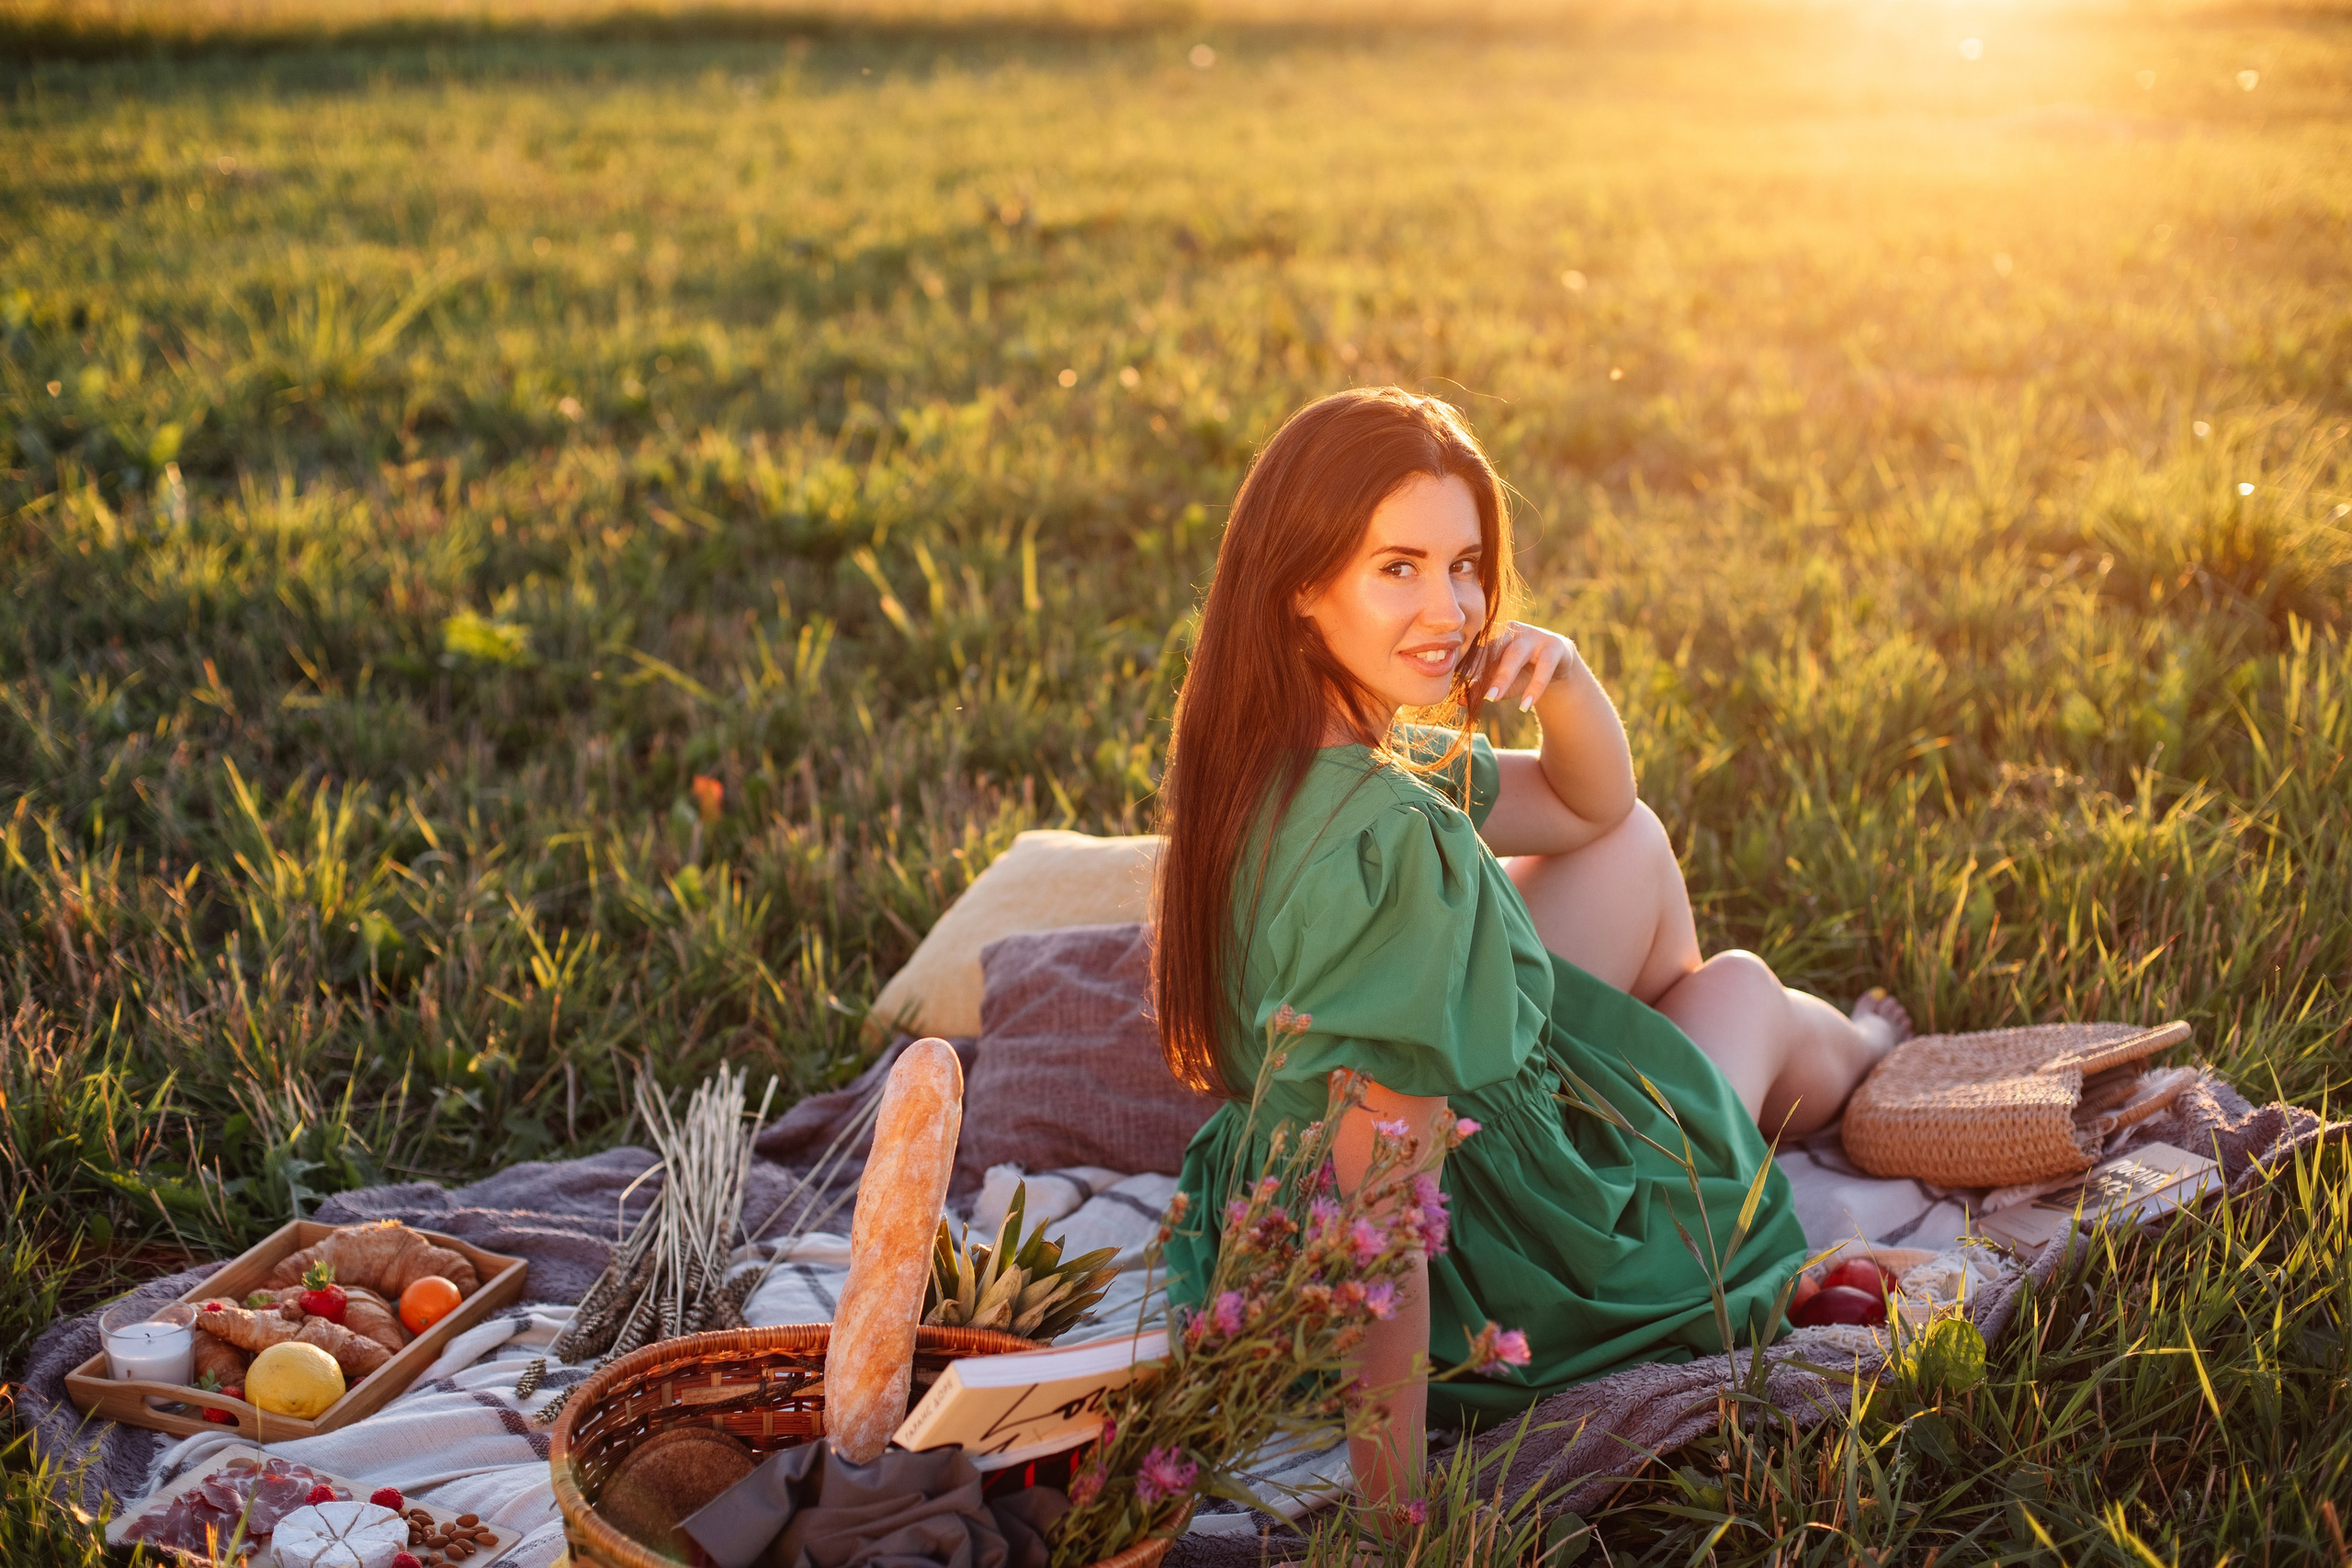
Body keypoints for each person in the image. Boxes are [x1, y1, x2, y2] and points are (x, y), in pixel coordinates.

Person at [1153, 387, 1912, 1515]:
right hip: (1496, 1262)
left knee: (1632, 842)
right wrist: (1394, 1513)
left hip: (1279, 1200)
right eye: (1397, 567)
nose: (1452, 607)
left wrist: (1561, 677)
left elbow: (1589, 802)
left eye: (1463, 565)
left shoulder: (1269, 758)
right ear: (1300, 585)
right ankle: (1850, 1054)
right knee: (1739, 989)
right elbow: (1385, 1220)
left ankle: (1701, 1052)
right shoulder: (1392, 843)